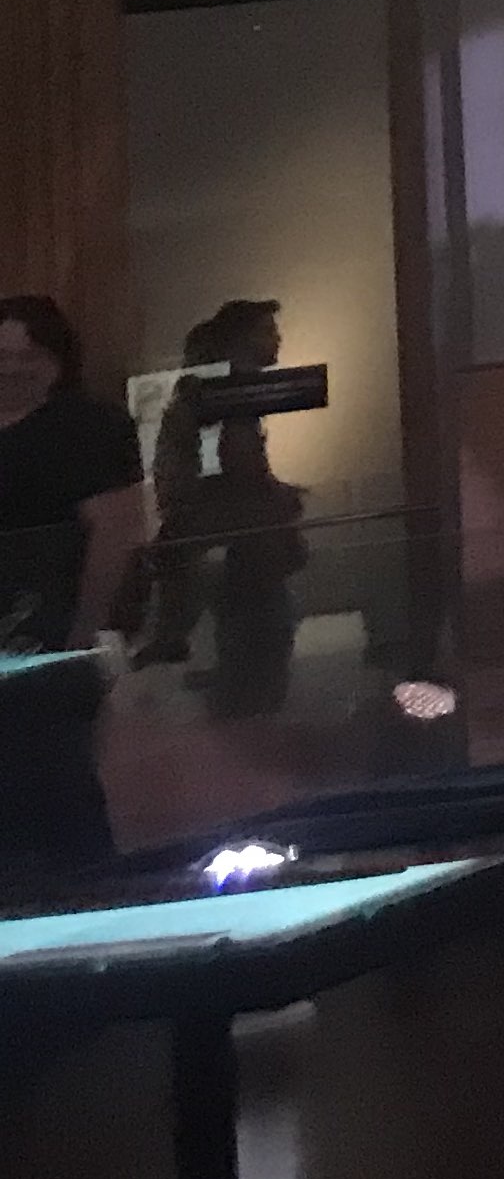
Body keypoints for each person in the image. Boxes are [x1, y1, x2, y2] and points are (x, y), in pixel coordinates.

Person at [0, 294, 151, 877]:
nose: (12, 368)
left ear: (57, 360)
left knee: (55, 774)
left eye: (28, 355)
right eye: (1, 356)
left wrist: (84, 632)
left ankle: (81, 890)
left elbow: (117, 531)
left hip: (51, 628)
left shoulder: (89, 428)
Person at [135, 297, 309, 713]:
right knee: (259, 648)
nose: (277, 339)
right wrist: (272, 500)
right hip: (238, 545)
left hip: (227, 543)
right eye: (266, 330)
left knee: (252, 643)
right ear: (240, 340)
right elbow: (238, 469)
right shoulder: (227, 394)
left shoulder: (211, 393)